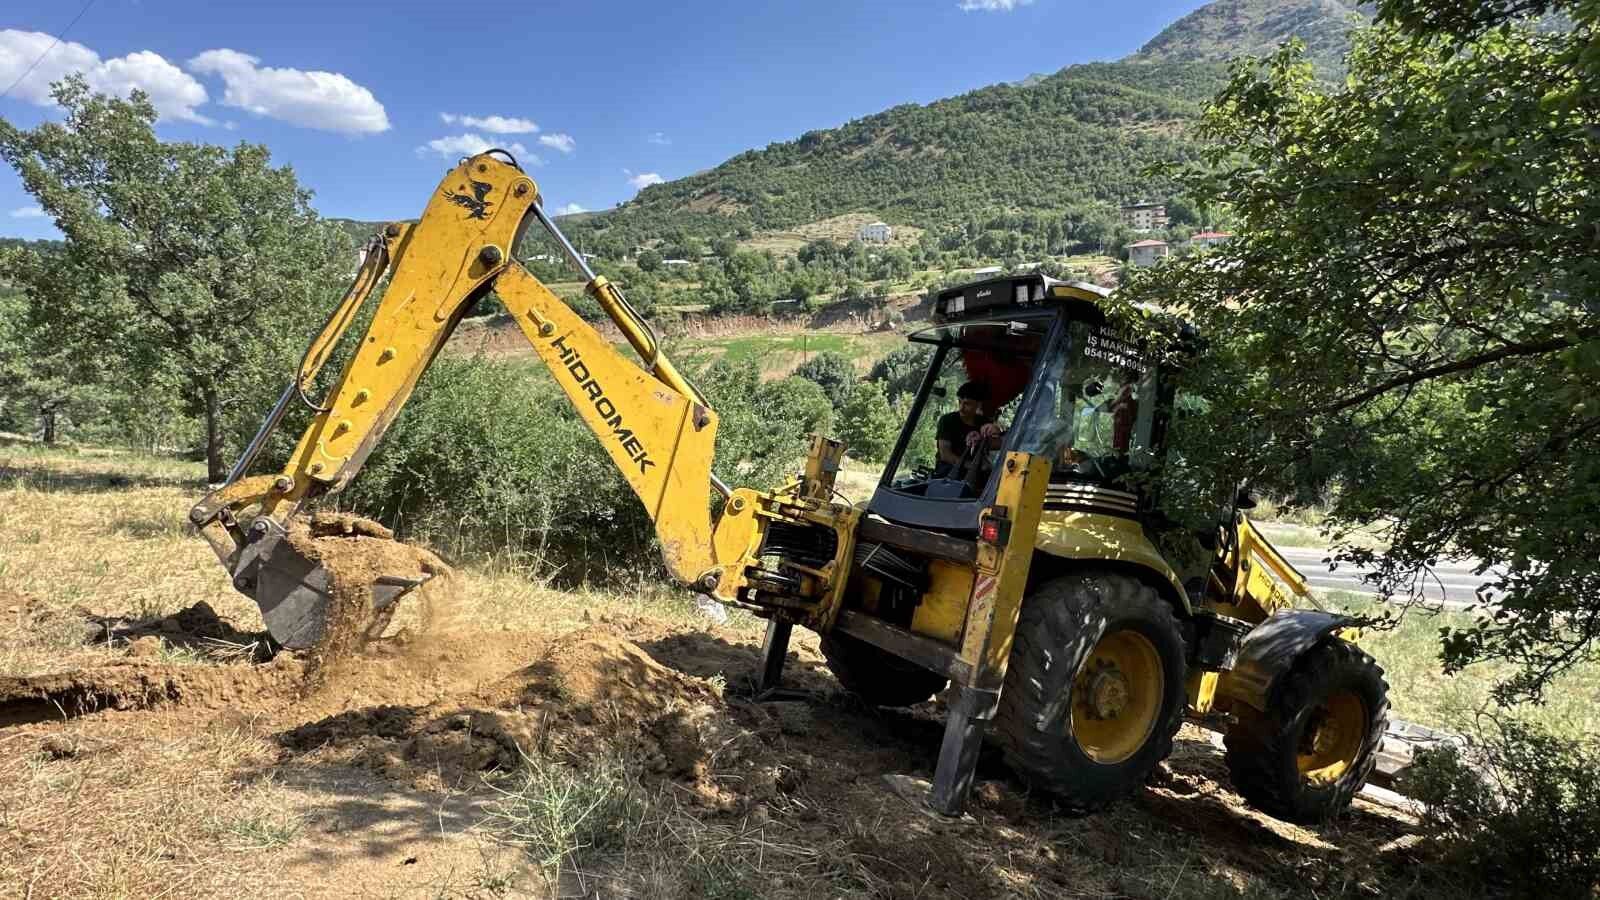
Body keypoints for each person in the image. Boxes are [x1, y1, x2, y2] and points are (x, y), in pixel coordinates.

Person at [933, 381, 996, 478]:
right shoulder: (947, 420)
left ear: (978, 405)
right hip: (948, 472)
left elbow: (997, 445)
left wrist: (995, 430)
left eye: (967, 404)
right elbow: (945, 455)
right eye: (959, 402)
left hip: (976, 474)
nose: (961, 408)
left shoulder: (984, 422)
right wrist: (972, 466)